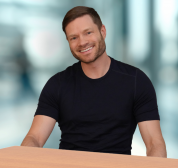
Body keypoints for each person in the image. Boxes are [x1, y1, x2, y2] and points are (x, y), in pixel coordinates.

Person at [21, 6, 167, 157]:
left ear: (102, 31)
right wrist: (25, 158)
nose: (82, 42)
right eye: (74, 37)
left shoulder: (136, 81)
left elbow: (154, 143)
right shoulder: (57, 84)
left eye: (88, 32)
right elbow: (35, 137)